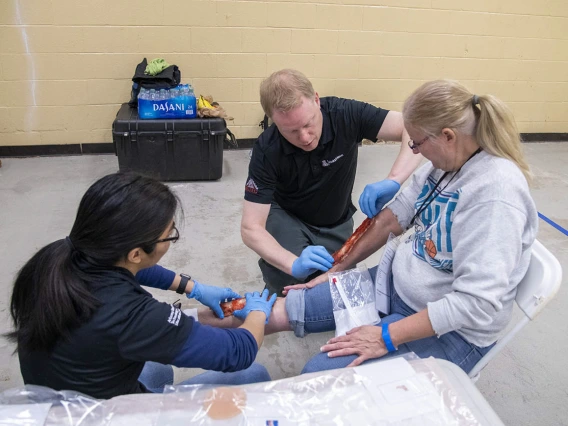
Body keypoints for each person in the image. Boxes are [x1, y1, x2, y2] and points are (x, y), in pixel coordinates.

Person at [205, 79, 538, 375]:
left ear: (448, 136)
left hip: (451, 329)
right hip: (393, 285)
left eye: (418, 144)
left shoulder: (496, 194)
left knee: (320, 375)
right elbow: (394, 217)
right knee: (279, 309)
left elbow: (477, 304)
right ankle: (182, 322)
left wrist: (385, 335)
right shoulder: (445, 165)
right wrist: (337, 268)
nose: (414, 151)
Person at [7, 172, 276, 399]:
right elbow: (238, 351)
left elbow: (139, 270)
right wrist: (257, 313)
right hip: (104, 416)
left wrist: (192, 287)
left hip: (64, 394)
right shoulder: (133, 315)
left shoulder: (57, 259)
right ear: (136, 253)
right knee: (254, 375)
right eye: (169, 234)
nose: (171, 239)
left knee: (158, 370)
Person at [242, 69, 423, 296]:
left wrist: (394, 180)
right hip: (289, 215)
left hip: (335, 219)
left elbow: (414, 127)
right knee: (287, 287)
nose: (305, 138)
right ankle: (280, 278)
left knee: (336, 283)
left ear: (316, 100)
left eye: (309, 124)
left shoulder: (345, 114)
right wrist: (291, 263)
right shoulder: (267, 150)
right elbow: (251, 228)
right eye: (292, 131)